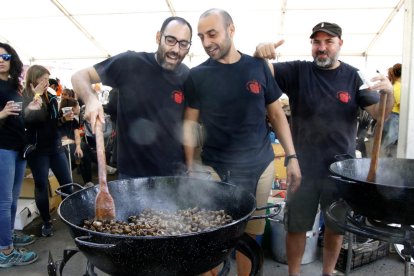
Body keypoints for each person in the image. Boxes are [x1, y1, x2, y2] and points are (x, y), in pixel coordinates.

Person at [254, 22, 394, 276]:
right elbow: (263, 71)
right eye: (317, 42)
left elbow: (380, 115)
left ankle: (327, 273)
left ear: (340, 44)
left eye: (328, 42)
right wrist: (259, 53)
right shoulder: (298, 71)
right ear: (311, 45)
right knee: (296, 225)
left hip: (341, 170)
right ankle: (294, 274)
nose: (322, 48)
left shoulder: (353, 77)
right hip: (302, 168)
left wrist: (388, 94)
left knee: (336, 227)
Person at [183, 9, 301, 276]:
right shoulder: (197, 75)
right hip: (217, 169)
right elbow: (189, 124)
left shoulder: (257, 66)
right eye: (201, 36)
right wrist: (190, 165)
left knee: (251, 236)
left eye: (212, 33)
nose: (206, 42)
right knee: (212, 236)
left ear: (231, 30)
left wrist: (292, 157)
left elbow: (276, 114)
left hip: (260, 166)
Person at [71, 16, 192, 179]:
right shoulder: (130, 62)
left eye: (183, 44)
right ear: (158, 37)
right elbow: (79, 76)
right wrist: (91, 100)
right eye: (170, 40)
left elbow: (188, 126)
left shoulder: (186, 75)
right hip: (133, 176)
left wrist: (190, 168)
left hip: (174, 176)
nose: (176, 49)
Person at [22, 65, 73, 237]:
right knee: (42, 185)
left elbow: (52, 122)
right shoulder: (26, 97)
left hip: (55, 146)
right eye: (42, 79)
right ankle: (46, 221)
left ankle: (71, 218)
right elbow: (29, 120)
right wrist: (35, 96)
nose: (46, 82)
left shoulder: (50, 95)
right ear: (33, 79)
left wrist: (63, 119)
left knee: (67, 183)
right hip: (38, 150)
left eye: (47, 79)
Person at [0, 43, 38, 267]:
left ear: (11, 59)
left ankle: (9, 237)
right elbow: (6, 114)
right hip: (2, 148)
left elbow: (18, 116)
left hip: (17, 149)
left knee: (12, 200)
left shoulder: (13, 85)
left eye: (5, 55)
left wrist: (29, 109)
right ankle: (5, 251)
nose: (1, 59)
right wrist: (2, 113)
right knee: (3, 202)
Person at [382, 63, 401, 157]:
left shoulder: (395, 85)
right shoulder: (398, 87)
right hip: (395, 117)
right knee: (390, 143)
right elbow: (402, 106)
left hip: (392, 117)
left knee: (389, 142)